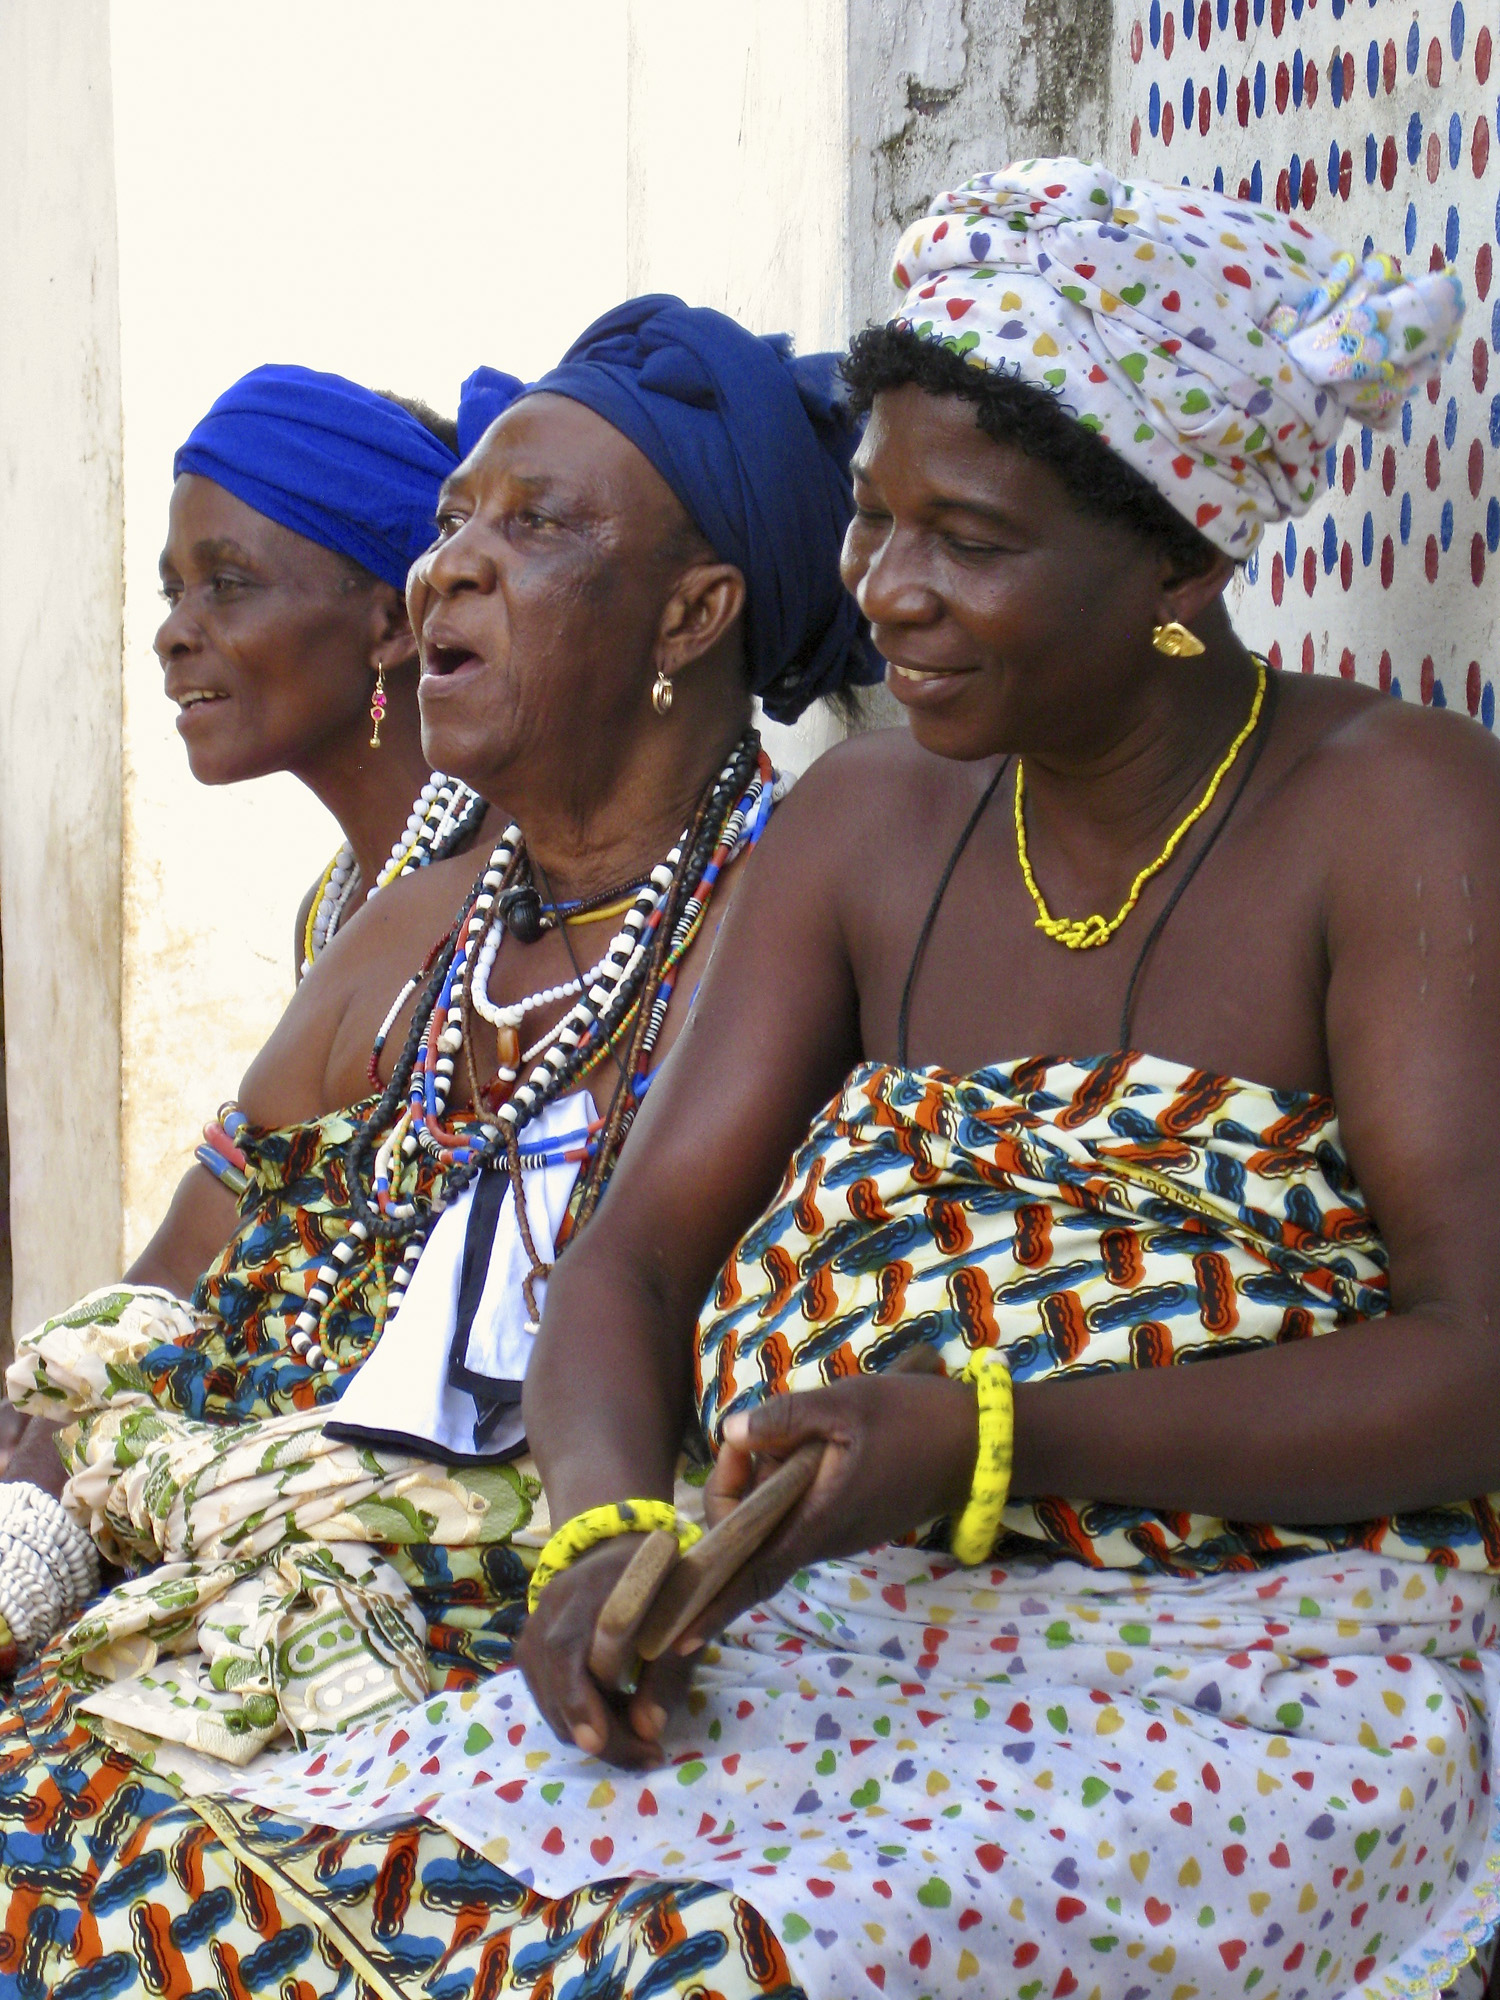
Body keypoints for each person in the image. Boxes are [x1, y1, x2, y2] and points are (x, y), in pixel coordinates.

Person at [174, 161, 1500, 2000]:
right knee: (232, 1903)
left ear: (1183, 556)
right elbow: (634, 1256)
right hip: (846, 1628)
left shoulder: (1394, 808)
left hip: (1249, 1659)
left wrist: (1001, 1439)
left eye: (971, 539)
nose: (887, 591)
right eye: (873, 520)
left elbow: (1474, 1356)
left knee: (706, 1971)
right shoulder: (869, 821)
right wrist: (610, 1537)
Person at [0, 296, 879, 1992]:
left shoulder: (796, 931)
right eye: (457, 517)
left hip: (521, 1619)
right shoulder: (409, 934)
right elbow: (170, 1291)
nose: (451, 567)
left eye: (533, 525)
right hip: (228, 1566)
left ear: (695, 613)